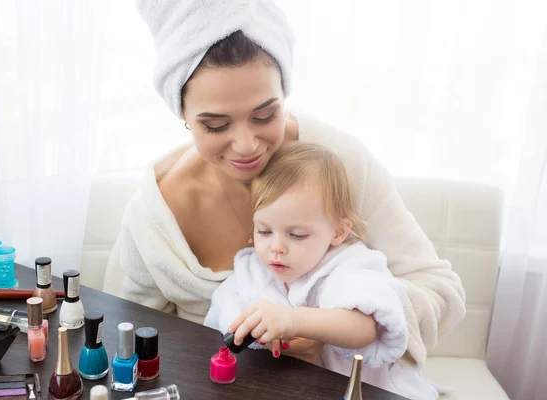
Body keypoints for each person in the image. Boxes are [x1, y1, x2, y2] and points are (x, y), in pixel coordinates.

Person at [104, 0, 465, 371]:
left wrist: (330, 332)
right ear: (182, 113)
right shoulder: (154, 215)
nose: (246, 146)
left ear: (284, 93)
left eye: (265, 114)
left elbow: (439, 289)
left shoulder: (340, 162)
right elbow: (124, 329)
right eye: (215, 125)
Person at [204, 142, 438, 399]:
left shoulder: (350, 265)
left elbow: (365, 328)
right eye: (264, 231)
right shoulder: (252, 270)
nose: (276, 248)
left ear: (337, 232)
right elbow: (221, 321)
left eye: (297, 234)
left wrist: (291, 321)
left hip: (357, 390)